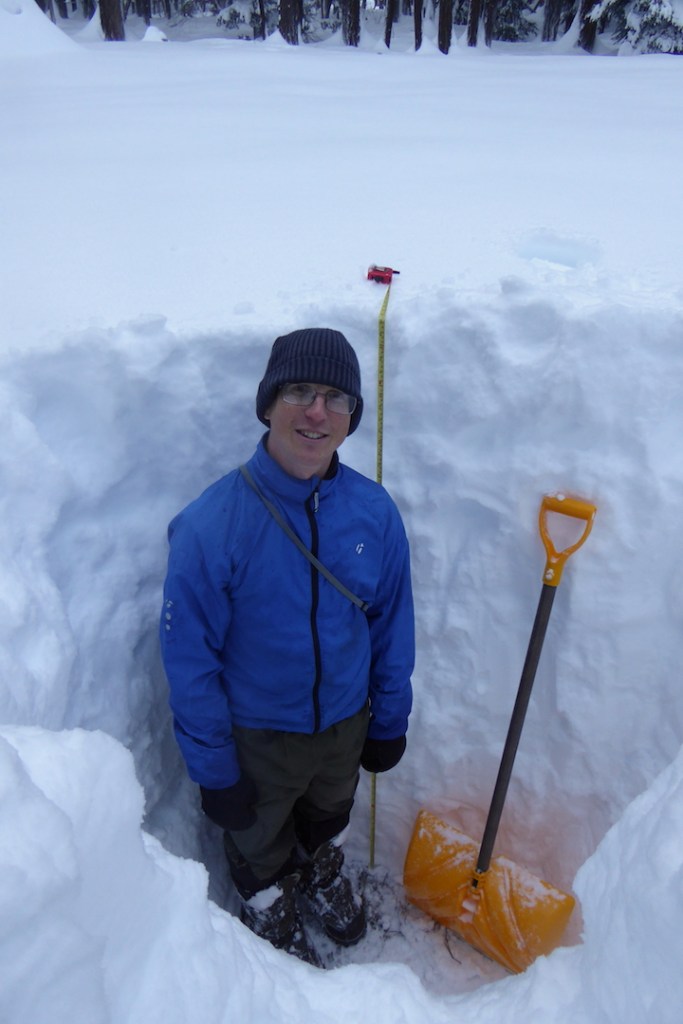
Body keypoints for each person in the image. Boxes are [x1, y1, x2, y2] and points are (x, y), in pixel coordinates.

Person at [160, 327, 415, 966]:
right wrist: (214, 770)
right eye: (300, 391)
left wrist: (389, 718)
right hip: (259, 737)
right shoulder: (210, 525)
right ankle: (268, 896)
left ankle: (321, 870)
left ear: (352, 416)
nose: (317, 412)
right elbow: (190, 663)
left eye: (336, 398)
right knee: (257, 835)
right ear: (268, 404)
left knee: (329, 815)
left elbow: (391, 623)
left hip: (345, 725)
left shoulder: (375, 512)